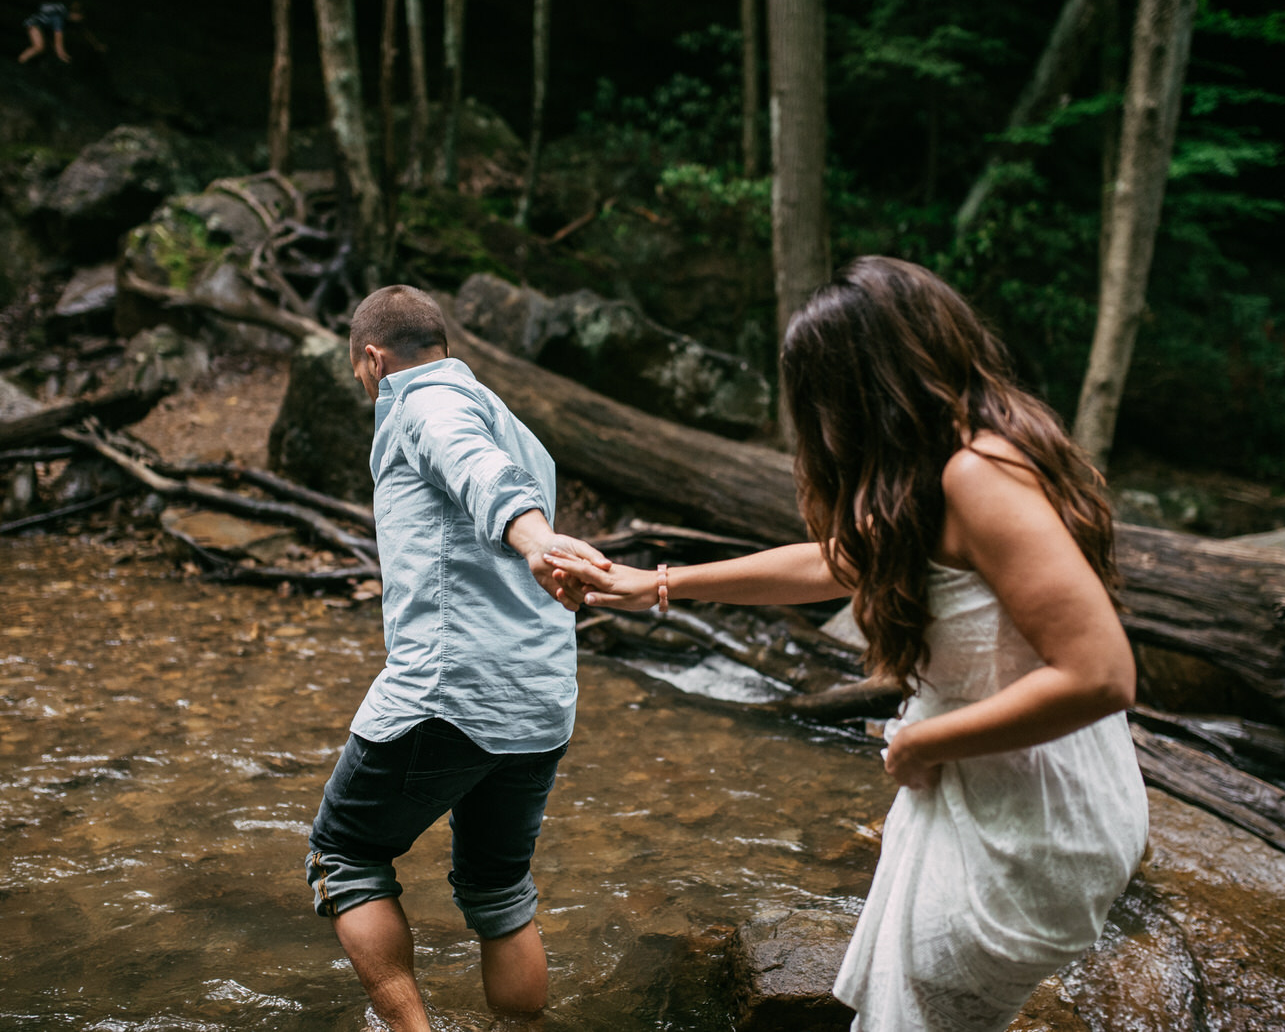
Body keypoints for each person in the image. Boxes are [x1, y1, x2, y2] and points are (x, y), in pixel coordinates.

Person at [547, 256, 1149, 1032]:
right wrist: (655, 583)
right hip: (1003, 797)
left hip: (1033, 818)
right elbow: (831, 560)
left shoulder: (979, 475)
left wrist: (927, 741)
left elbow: (1101, 675)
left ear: (857, 393)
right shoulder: (939, 470)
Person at [304, 285, 607, 1031]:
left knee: (343, 855)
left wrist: (536, 541)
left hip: (450, 692)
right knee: (499, 888)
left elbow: (470, 465)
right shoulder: (513, 424)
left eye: (358, 372)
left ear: (373, 359)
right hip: (539, 702)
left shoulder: (423, 404)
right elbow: (485, 463)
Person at [18, 0, 104, 64]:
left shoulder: (69, 19)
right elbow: (58, 37)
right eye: (80, 17)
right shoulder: (59, 17)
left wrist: (97, 45)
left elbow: (85, 32)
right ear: (76, 15)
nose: (81, 19)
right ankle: (21, 61)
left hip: (43, 28)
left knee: (44, 49)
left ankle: (25, 61)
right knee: (39, 47)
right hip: (34, 24)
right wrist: (62, 54)